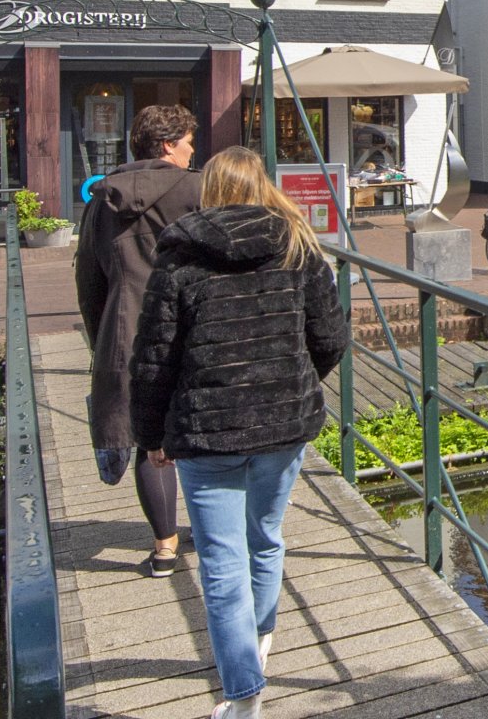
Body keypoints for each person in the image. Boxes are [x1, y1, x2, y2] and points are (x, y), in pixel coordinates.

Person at [131, 147, 347, 719]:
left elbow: (154, 357)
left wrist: (150, 434)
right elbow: (331, 338)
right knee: (267, 537)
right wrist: (295, 380)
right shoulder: (297, 248)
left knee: (221, 563)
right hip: (283, 425)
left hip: (208, 430)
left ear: (209, 191)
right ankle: (260, 642)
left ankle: (243, 691)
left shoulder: (178, 257)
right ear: (263, 187)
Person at [72, 104, 200, 577]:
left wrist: (99, 337)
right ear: (168, 145)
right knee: (202, 429)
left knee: (149, 437)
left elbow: (88, 278)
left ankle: (164, 547)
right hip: (191, 325)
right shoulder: (197, 190)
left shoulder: (102, 197)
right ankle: (214, 530)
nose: (192, 151)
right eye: (188, 142)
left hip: (126, 329)